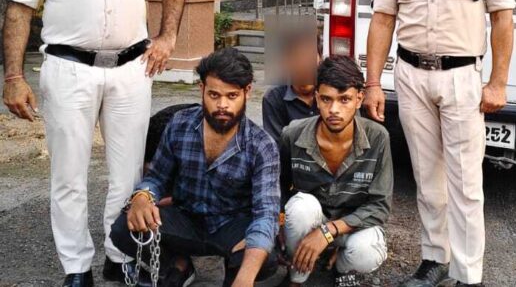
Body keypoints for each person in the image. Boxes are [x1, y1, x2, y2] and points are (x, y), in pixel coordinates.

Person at [2, 0, 185, 286]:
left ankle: (119, 255)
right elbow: (19, 7)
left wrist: (167, 38)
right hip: (69, 70)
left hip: (131, 70)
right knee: (68, 176)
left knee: (127, 173)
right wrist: (13, 76)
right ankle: (76, 268)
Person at [364, 0, 516, 287]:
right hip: (411, 75)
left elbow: (503, 17)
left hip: (462, 77)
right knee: (426, 177)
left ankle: (468, 274)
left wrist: (498, 82)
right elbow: (382, 20)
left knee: (465, 181)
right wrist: (373, 83)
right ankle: (434, 259)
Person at [110, 48, 281, 287]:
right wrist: (142, 196)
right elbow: (157, 177)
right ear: (202, 89)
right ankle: (178, 264)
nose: (222, 105)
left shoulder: (262, 145)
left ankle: (235, 275)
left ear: (247, 92)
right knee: (123, 229)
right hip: (185, 218)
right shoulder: (179, 124)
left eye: (232, 96)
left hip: (230, 225)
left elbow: (266, 213)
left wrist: (246, 277)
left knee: (264, 257)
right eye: (214, 95)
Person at [279, 56, 392, 287]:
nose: (334, 110)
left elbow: (379, 206)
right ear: (316, 98)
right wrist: (280, 224)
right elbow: (279, 188)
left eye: (344, 99)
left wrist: (328, 231)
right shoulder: (293, 134)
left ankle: (340, 266)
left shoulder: (378, 138)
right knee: (299, 208)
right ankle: (297, 277)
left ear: (359, 99)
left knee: (367, 251)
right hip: (312, 219)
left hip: (353, 227)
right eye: (326, 99)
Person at [262, 29, 321, 143]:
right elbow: (276, 146)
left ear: (320, 58)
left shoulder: (330, 91)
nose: (304, 63)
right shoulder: (274, 98)